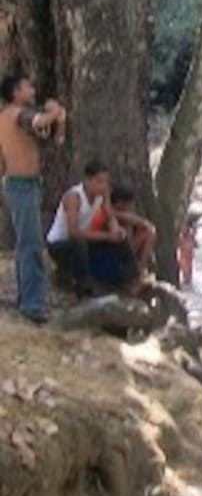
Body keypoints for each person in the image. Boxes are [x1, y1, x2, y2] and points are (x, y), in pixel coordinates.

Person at [0, 74, 67, 323]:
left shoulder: (15, 118)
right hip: (21, 185)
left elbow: (55, 138)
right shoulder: (16, 114)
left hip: (24, 185)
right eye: (28, 86)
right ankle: (32, 304)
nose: (32, 89)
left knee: (25, 244)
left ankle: (25, 297)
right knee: (31, 245)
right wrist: (54, 109)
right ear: (16, 91)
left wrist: (58, 119)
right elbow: (40, 119)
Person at [45, 162, 137, 295]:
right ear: (87, 181)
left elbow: (109, 215)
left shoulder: (103, 194)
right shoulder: (74, 197)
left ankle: (131, 279)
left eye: (105, 181)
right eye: (99, 181)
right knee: (79, 243)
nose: (103, 186)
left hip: (85, 239)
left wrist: (115, 230)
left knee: (121, 239)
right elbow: (73, 232)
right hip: (60, 244)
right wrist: (106, 236)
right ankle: (84, 288)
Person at [109, 186, 157, 277]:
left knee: (148, 232)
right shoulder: (111, 214)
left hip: (126, 252)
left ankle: (140, 268)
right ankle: (139, 270)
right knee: (149, 232)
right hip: (114, 255)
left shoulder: (125, 217)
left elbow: (145, 226)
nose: (131, 207)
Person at [178, 216, 199, 287]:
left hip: (188, 259)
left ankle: (187, 284)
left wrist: (194, 234)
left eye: (185, 226)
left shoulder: (190, 237)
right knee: (185, 275)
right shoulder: (181, 238)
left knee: (188, 277)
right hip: (183, 259)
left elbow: (196, 245)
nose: (184, 228)